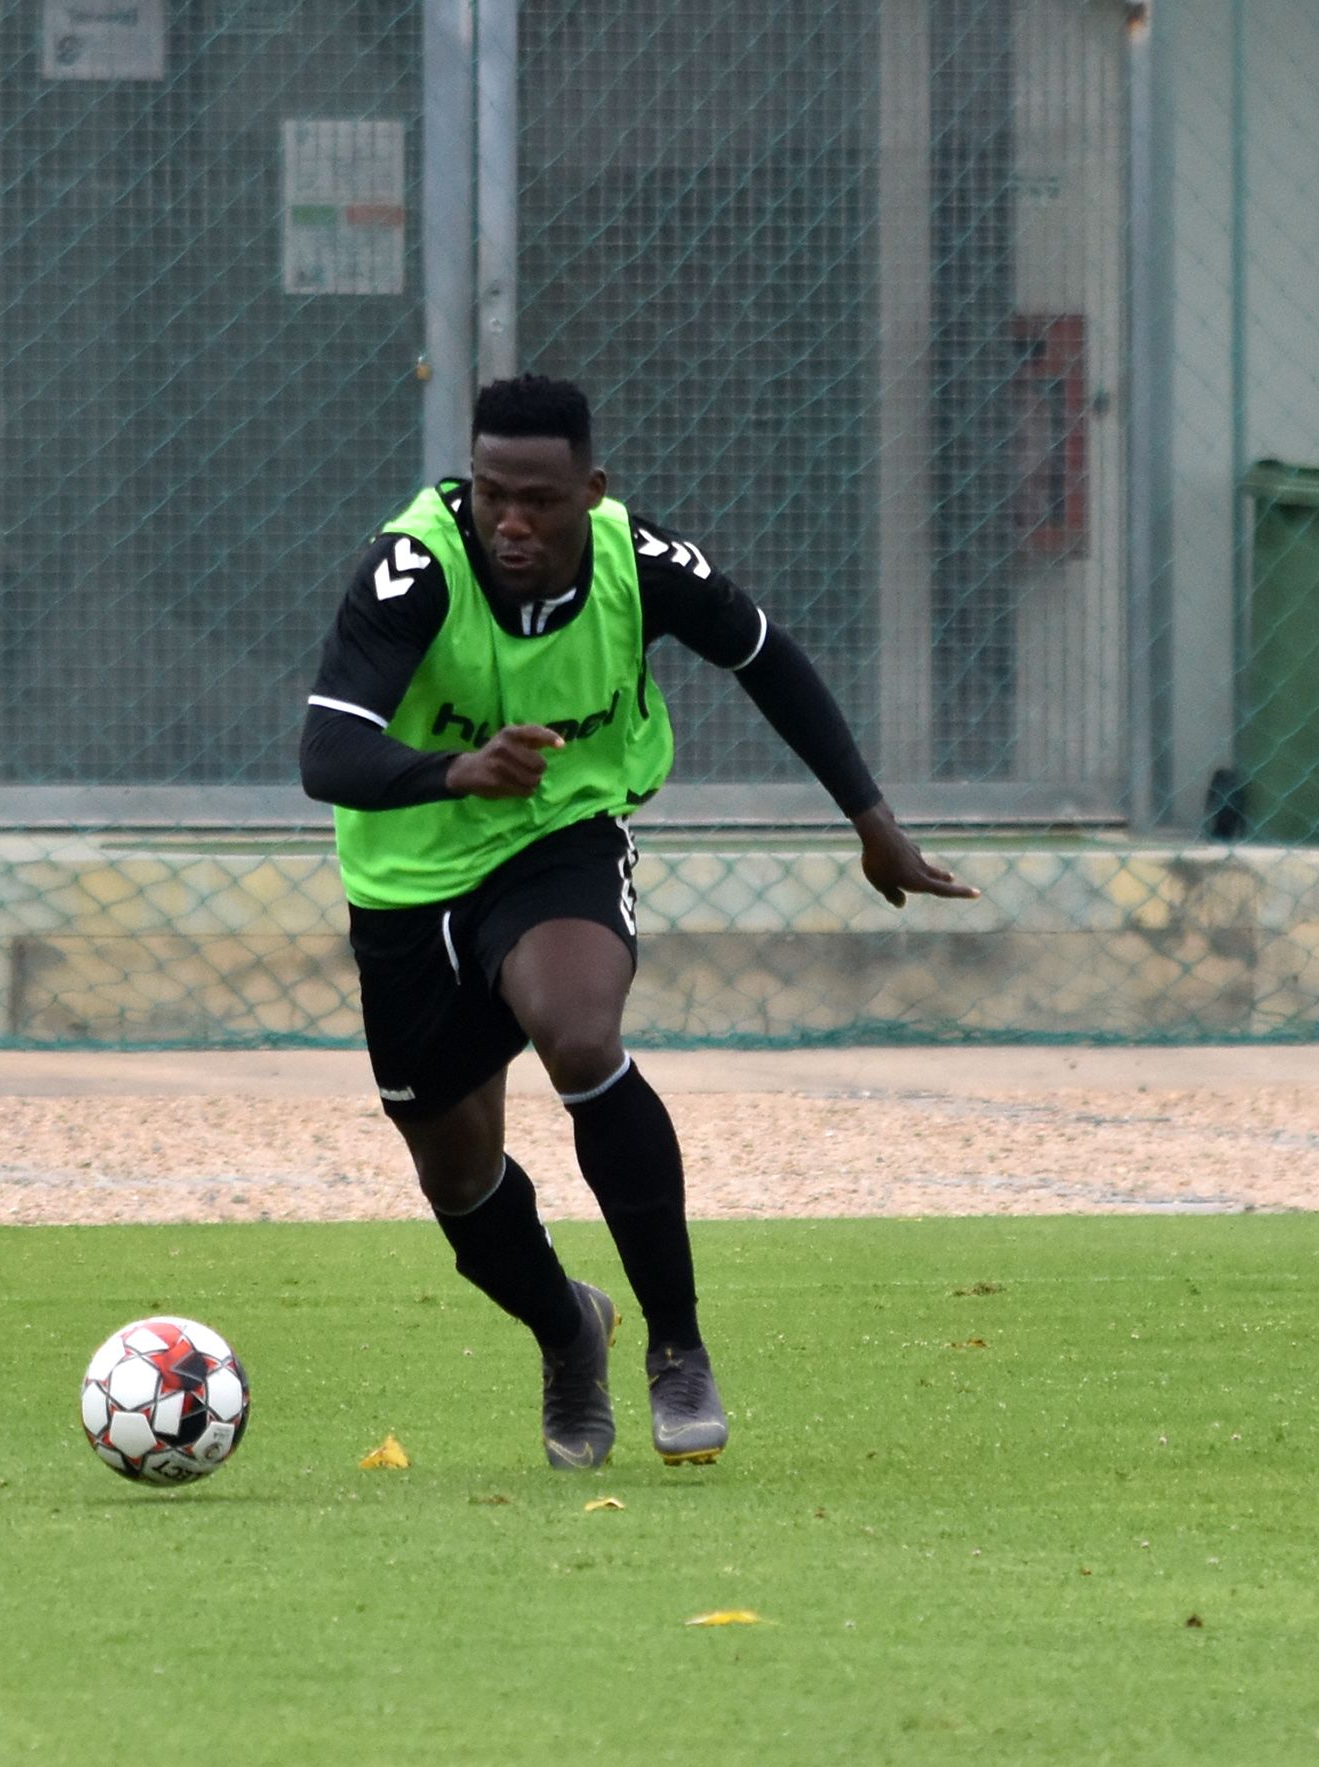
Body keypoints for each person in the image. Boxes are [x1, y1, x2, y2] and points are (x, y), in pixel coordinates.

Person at [299, 374, 975, 1468]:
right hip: (407, 887)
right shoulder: (413, 569)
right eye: (491, 494)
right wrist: (457, 770)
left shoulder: (639, 560)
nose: (511, 523)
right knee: (457, 1179)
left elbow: (765, 655)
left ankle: (678, 1346)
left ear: (592, 490)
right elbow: (327, 752)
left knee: (579, 1036)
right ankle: (570, 1330)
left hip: (557, 839)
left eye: (539, 500)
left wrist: (872, 821)